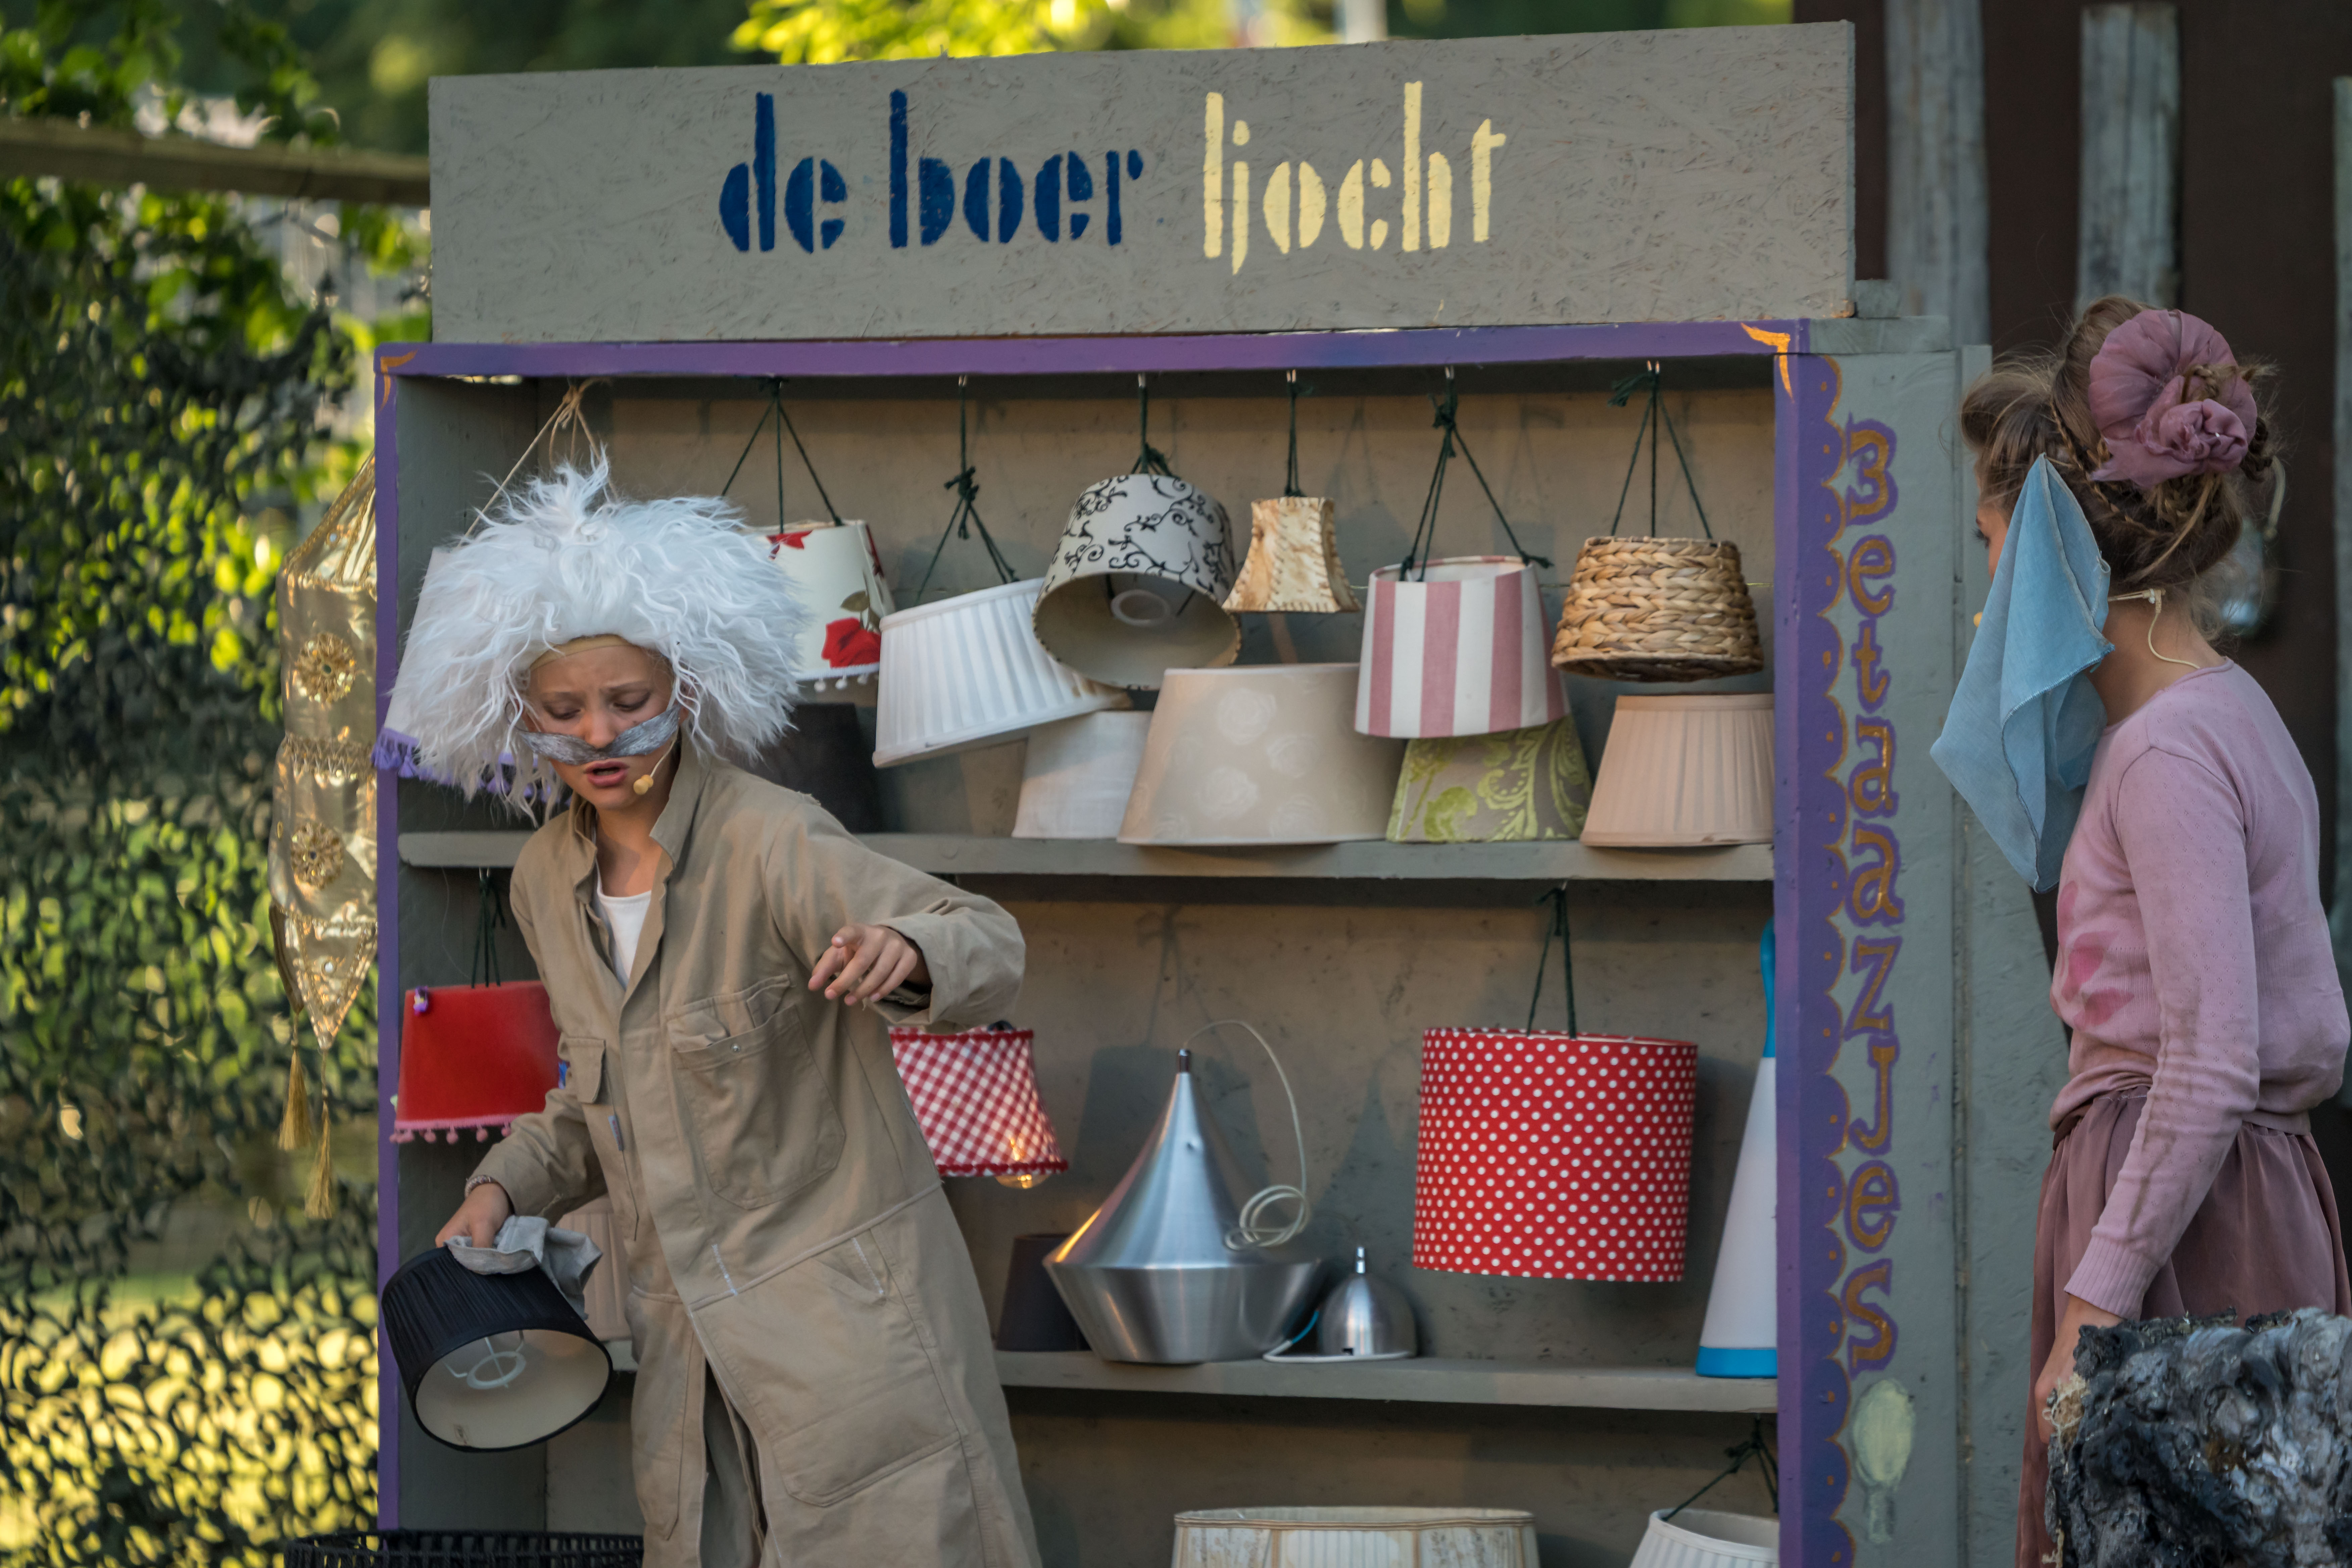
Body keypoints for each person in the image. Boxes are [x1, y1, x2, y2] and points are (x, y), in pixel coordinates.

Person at [400, 461, 1041, 1568]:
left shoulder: (772, 837)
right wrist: (504, 1183)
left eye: (629, 702)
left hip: (848, 1347)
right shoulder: (544, 879)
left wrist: (907, 948)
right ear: (525, 717)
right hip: (684, 1359)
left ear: (684, 690)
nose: (598, 734)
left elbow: (986, 937)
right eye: (563, 711)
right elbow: (603, 1096)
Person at [1956, 300, 2352, 1567]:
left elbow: (2212, 1055)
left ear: (2055, 547)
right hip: (2210, 1190)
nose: (1985, 598)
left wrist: (2094, 1306)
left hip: (2190, 1215)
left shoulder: (2172, 750)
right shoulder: (2218, 714)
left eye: (1992, 546)